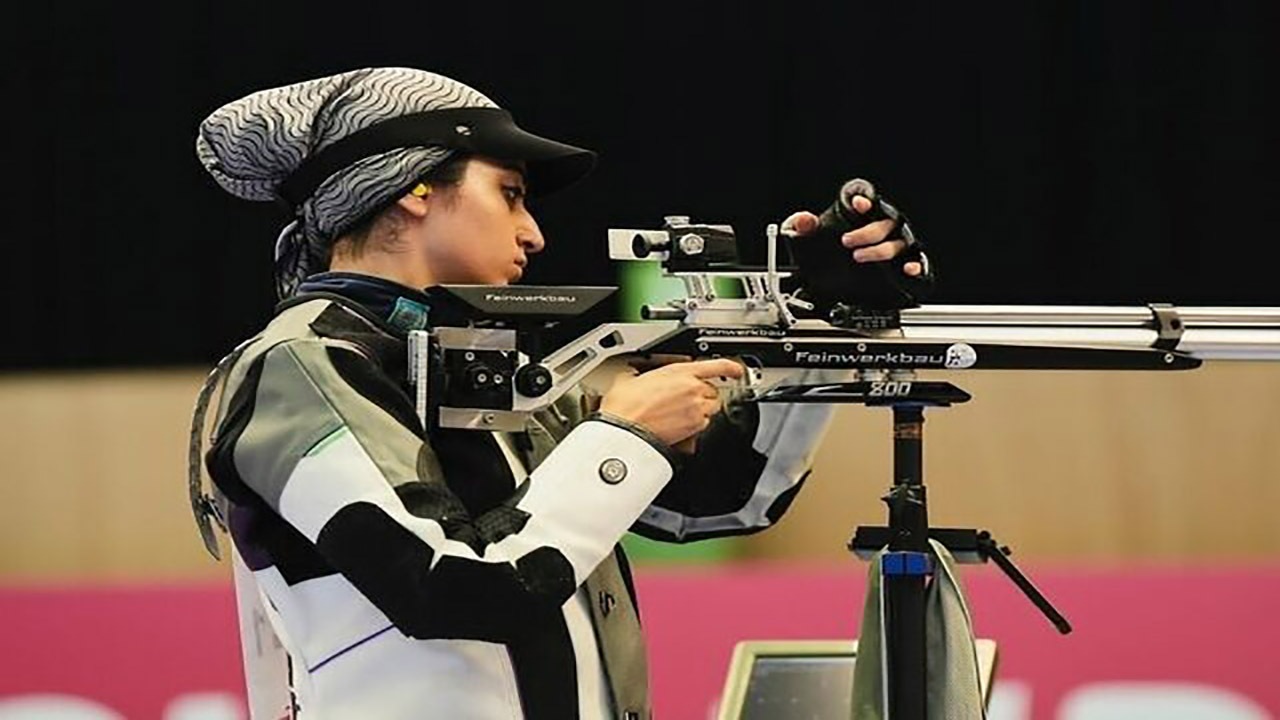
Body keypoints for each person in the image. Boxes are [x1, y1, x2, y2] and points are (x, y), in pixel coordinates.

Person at [191, 67, 933, 720]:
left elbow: (719, 500)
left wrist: (825, 317)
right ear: (413, 189)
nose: (534, 234)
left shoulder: (471, 358)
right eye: (510, 194)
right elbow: (452, 585)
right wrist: (624, 437)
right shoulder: (301, 364)